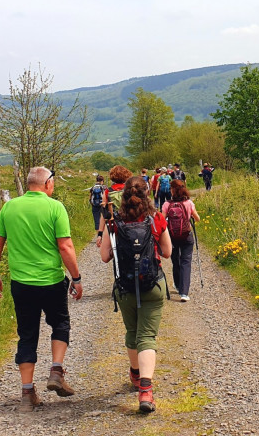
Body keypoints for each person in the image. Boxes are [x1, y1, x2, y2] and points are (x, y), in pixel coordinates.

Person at [0, 167, 83, 411]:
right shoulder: (55, 207)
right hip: (51, 281)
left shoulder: (9, 207)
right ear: (47, 184)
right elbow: (65, 247)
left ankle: (27, 393)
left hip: (21, 284)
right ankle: (56, 371)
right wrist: (76, 277)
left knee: (27, 334)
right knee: (60, 324)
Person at [99, 176, 172, 413]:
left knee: (133, 333)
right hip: (152, 285)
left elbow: (104, 257)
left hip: (126, 288)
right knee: (147, 337)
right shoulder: (156, 218)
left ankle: (135, 374)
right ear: (147, 194)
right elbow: (168, 252)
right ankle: (146, 391)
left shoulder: (114, 222)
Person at [162, 180, 200, 302]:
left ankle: (178, 285)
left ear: (172, 190)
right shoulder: (188, 203)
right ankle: (184, 293)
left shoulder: (167, 204)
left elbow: (161, 221)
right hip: (186, 236)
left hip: (172, 236)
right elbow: (197, 219)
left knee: (175, 261)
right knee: (186, 262)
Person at [97, 165, 132, 247]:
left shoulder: (107, 191)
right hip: (129, 222)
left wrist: (100, 234)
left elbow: (103, 213)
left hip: (114, 223)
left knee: (109, 250)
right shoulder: (130, 190)